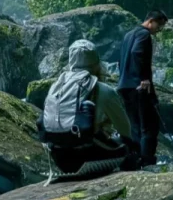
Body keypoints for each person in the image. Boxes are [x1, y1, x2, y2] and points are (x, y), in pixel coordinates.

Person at [41, 40, 139, 174]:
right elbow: (125, 129)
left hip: (60, 160)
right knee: (128, 146)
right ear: (96, 63)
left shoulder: (56, 87)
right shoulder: (104, 90)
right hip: (88, 158)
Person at [117, 9, 169, 166]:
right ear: (151, 21)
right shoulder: (144, 34)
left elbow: (121, 61)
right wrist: (144, 78)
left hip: (124, 86)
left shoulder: (128, 35)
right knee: (149, 126)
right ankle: (147, 162)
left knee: (134, 126)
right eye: (159, 26)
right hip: (139, 87)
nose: (158, 30)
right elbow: (137, 52)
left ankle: (136, 159)